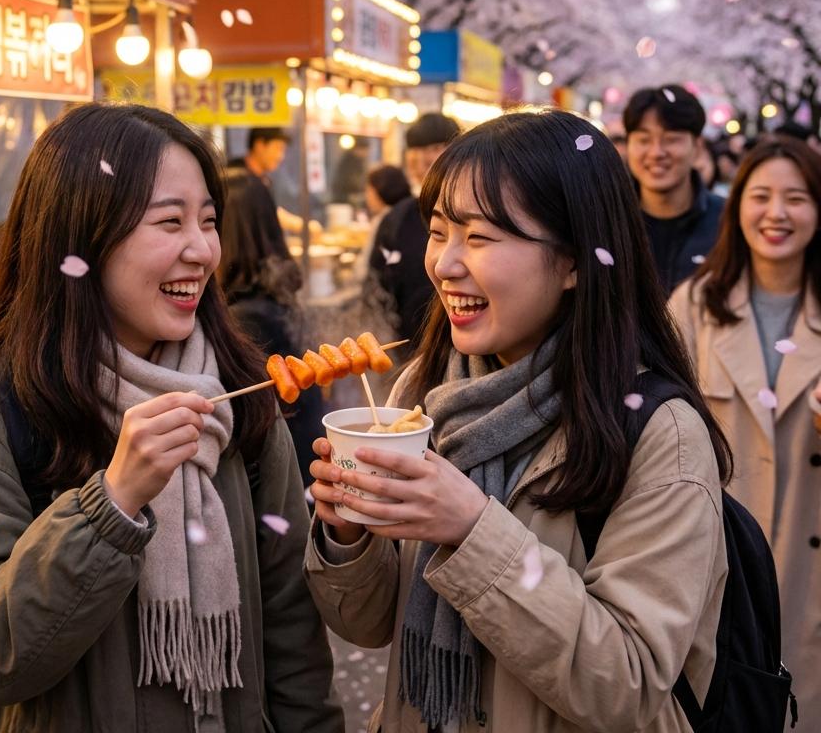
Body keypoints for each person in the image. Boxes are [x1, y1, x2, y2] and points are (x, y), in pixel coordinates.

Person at [0, 104, 342, 733]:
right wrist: (110, 506)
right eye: (169, 222)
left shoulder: (236, 396)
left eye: (208, 221)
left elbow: (290, 633)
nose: (202, 250)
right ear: (80, 243)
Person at [306, 110, 731, 732]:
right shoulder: (426, 390)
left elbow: (628, 685)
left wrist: (473, 531)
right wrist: (350, 537)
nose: (445, 265)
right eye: (438, 231)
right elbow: (368, 625)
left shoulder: (658, 433)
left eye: (479, 238)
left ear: (576, 261)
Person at [669, 135, 821, 724]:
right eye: (760, 196)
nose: (777, 214)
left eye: (797, 198)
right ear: (736, 208)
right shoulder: (696, 304)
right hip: (720, 560)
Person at [218, 165, 322, 487]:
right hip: (307, 454)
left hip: (286, 475)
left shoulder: (244, 318)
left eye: (208, 221)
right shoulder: (272, 294)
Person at [366, 112, 459, 348]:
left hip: (467, 341)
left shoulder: (477, 211)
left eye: (436, 147)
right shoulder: (398, 217)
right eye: (416, 149)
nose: (425, 158)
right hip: (409, 346)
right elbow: (377, 280)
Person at [624, 85, 725, 294]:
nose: (656, 152)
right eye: (643, 140)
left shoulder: (728, 221)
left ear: (697, 147)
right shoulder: (607, 220)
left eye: (671, 139)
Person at [230, 126, 311, 236]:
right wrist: (298, 224)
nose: (281, 156)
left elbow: (270, 210)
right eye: (278, 148)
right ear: (259, 145)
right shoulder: (235, 175)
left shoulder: (264, 179)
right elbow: (261, 213)